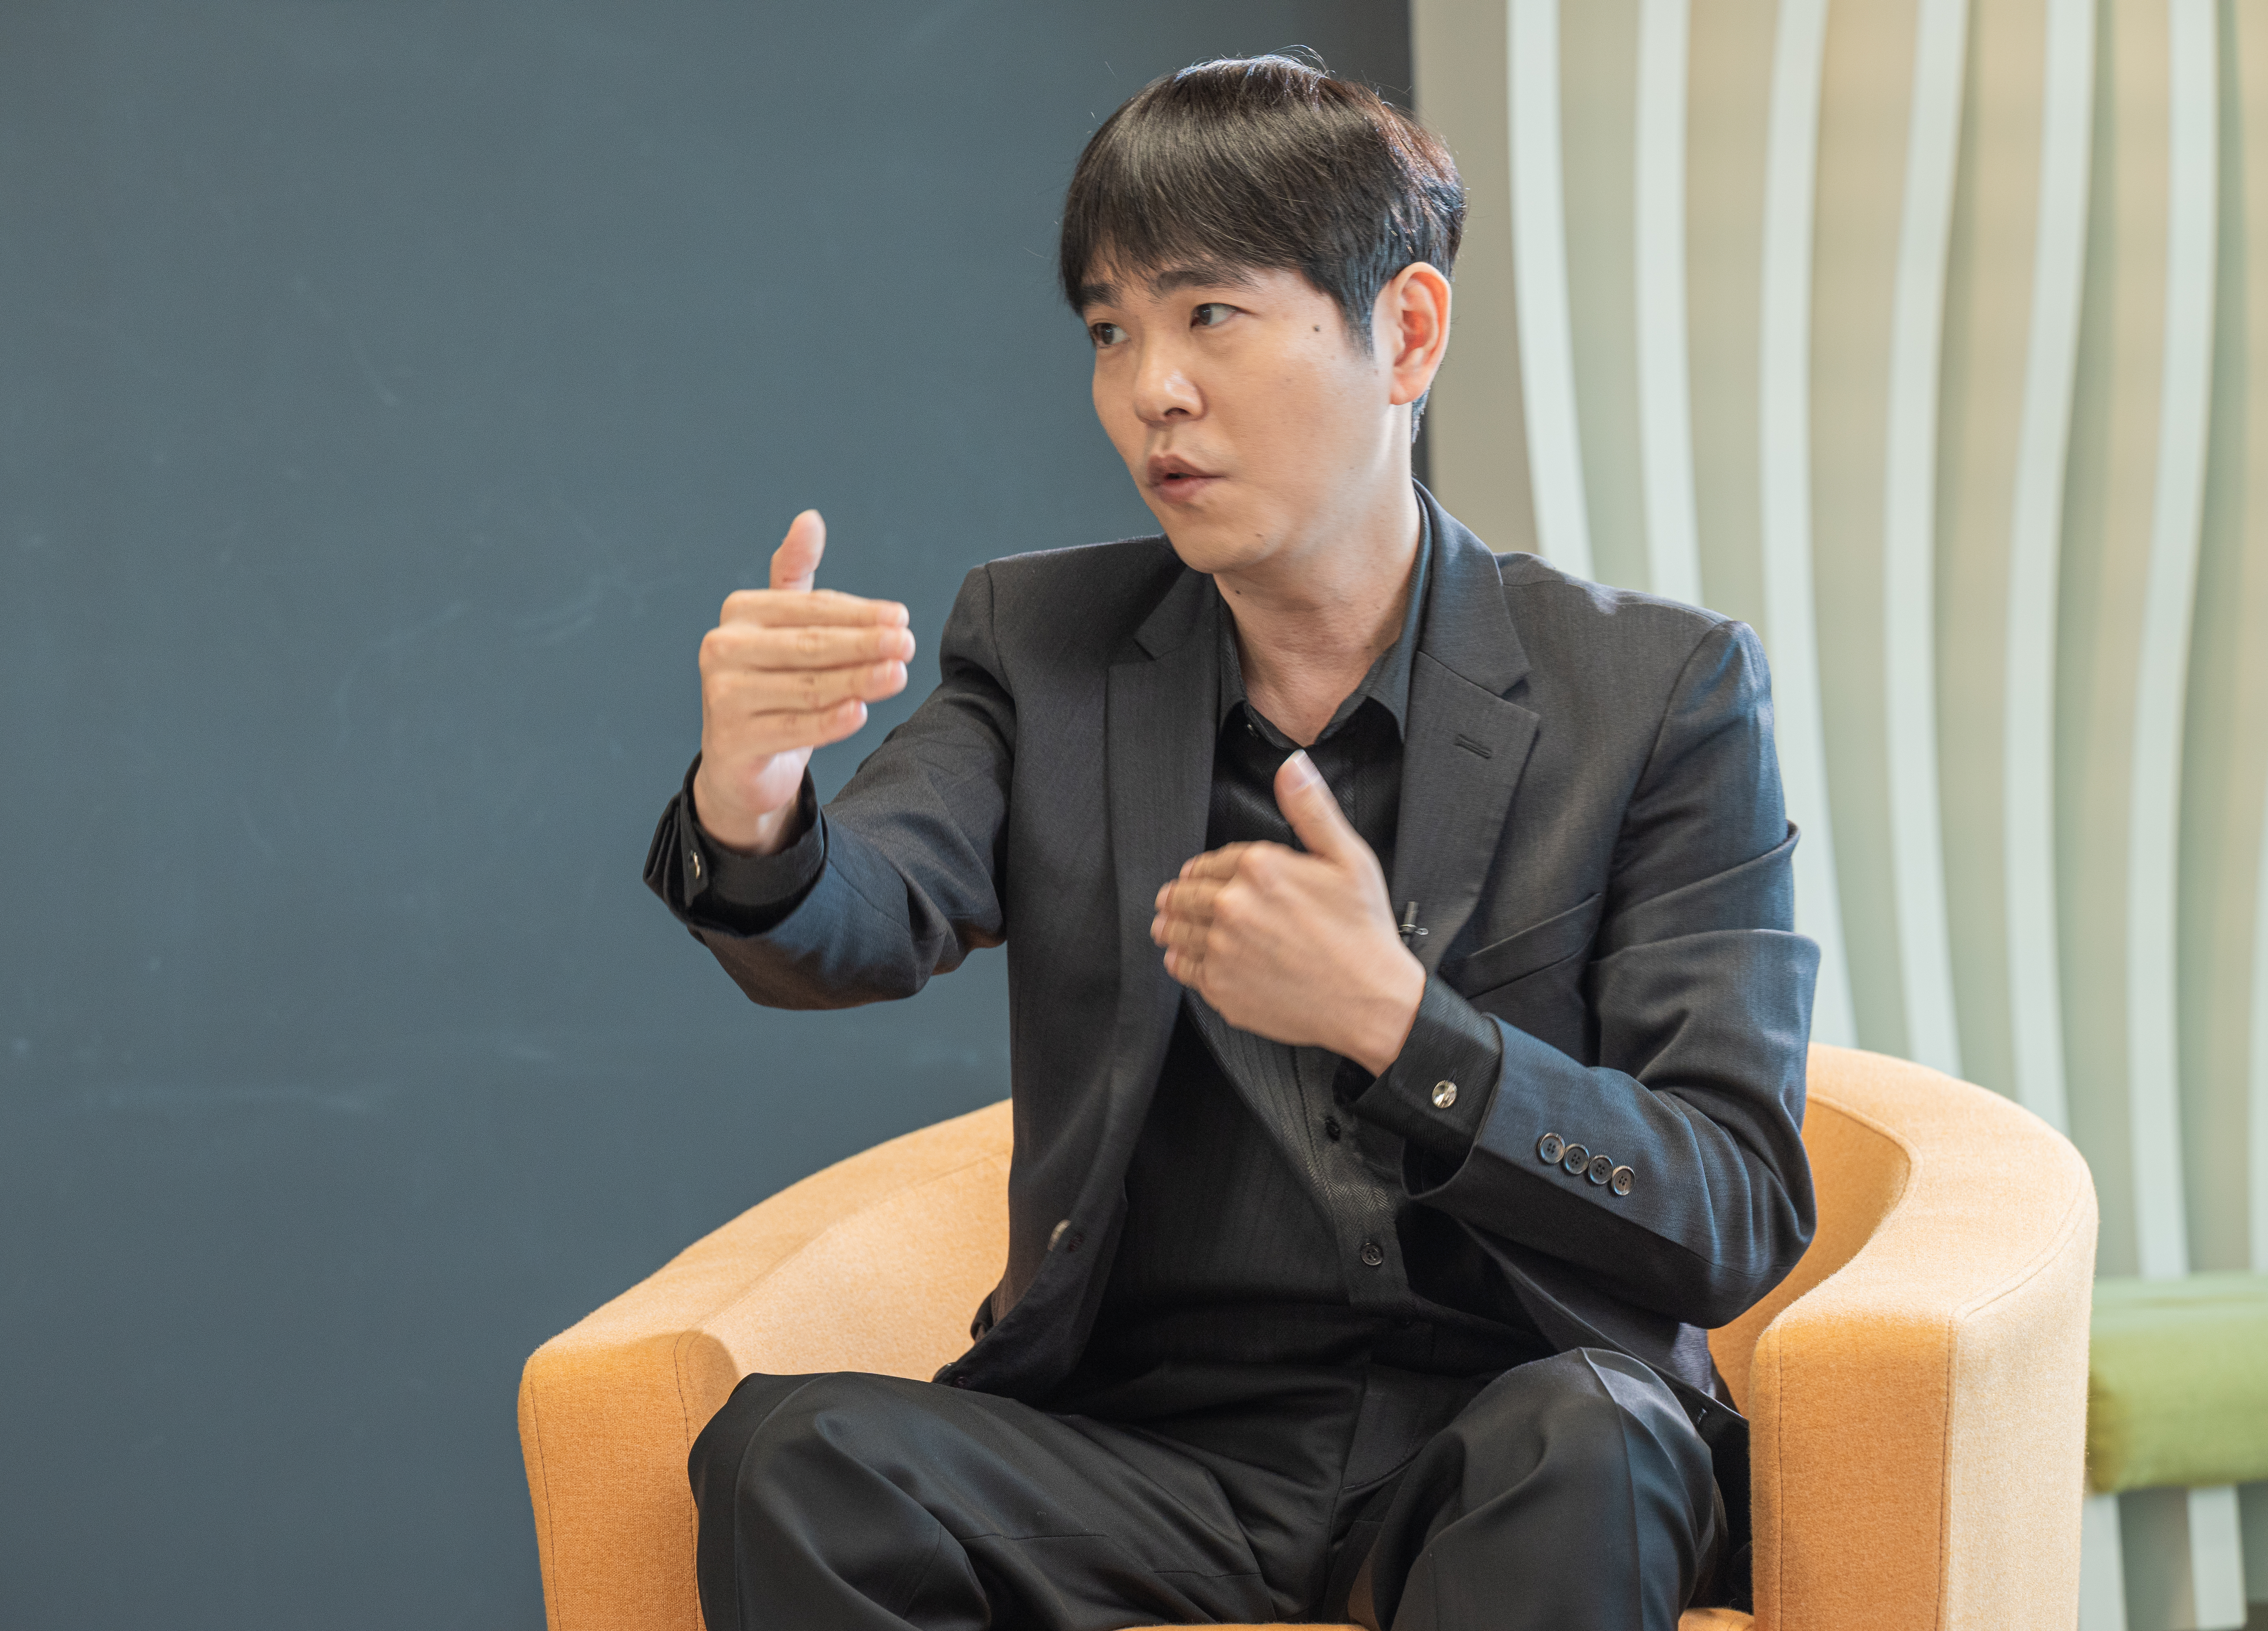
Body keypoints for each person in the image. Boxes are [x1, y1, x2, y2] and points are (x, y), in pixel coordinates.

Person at [647, 54, 1817, 1631]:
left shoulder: (1657, 689)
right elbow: (860, 909)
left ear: (1403, 330)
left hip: (1508, 1429)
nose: (1151, 391)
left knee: (1589, 1439)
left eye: (1208, 315)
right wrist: (754, 796)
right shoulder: (1045, 641)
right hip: (1150, 1454)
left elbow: (1728, 1204)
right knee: (795, 1453)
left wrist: (1399, 1025)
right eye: (1110, 330)